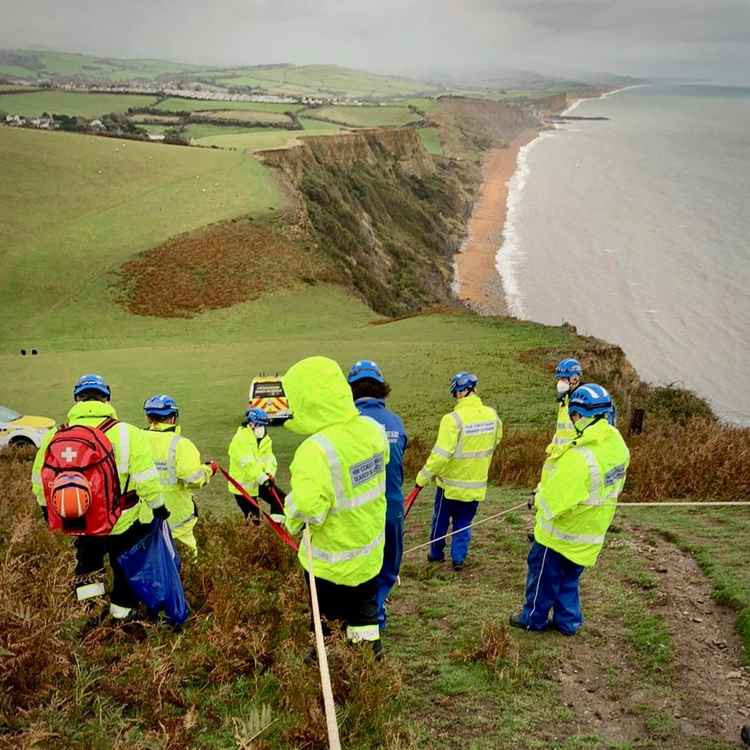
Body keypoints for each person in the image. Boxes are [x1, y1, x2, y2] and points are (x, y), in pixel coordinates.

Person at [31, 374, 165, 622]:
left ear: (76, 400)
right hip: (122, 519)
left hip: (78, 517)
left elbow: (40, 479)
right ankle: (121, 616)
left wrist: (45, 508)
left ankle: (89, 614)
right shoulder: (129, 433)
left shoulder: (55, 435)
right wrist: (158, 507)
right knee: (123, 566)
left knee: (88, 563)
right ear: (108, 399)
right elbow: (147, 478)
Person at [282, 356, 388, 653]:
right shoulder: (373, 429)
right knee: (365, 621)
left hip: (329, 566)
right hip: (369, 555)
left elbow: (307, 510)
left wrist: (289, 518)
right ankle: (368, 668)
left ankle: (333, 672)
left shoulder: (315, 450)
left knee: (327, 626)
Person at [510, 384, 629, 635]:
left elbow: (554, 503)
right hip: (590, 532)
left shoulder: (580, 458)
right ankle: (568, 622)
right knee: (569, 579)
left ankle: (533, 618)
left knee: (543, 580)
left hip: (560, 535)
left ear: (578, 414)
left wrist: (538, 497)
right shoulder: (617, 446)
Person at [415, 372, 502, 571]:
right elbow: (496, 440)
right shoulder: (492, 415)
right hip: (476, 484)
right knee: (464, 522)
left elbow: (440, 455)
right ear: (474, 390)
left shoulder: (452, 419)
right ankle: (458, 559)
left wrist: (423, 477)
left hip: (450, 485)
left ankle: (435, 554)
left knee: (441, 521)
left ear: (460, 393)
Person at [347, 359, 407, 630]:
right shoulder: (395, 422)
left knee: (359, 567)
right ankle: (377, 611)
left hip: (357, 511)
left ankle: (363, 615)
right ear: (382, 388)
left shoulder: (348, 424)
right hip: (392, 507)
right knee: (388, 567)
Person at [142, 394, 216, 558]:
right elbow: (193, 478)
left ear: (148, 418)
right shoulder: (181, 444)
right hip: (177, 522)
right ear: (173, 418)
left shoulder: (137, 440)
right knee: (187, 568)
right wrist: (209, 469)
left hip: (144, 520)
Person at [227, 407, 283, 524]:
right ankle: (253, 540)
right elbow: (248, 464)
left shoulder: (265, 439)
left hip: (260, 481)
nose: (261, 428)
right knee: (254, 520)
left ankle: (276, 530)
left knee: (281, 501)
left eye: (263, 425)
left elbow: (270, 458)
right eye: (258, 425)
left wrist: (269, 473)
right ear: (250, 423)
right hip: (243, 487)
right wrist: (263, 478)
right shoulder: (240, 439)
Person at [548, 358, 584, 453]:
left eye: (564, 379)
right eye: (560, 379)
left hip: (576, 454)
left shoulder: (584, 401)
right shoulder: (564, 399)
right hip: (561, 453)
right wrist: (552, 450)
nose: (561, 382)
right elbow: (560, 431)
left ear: (575, 378)